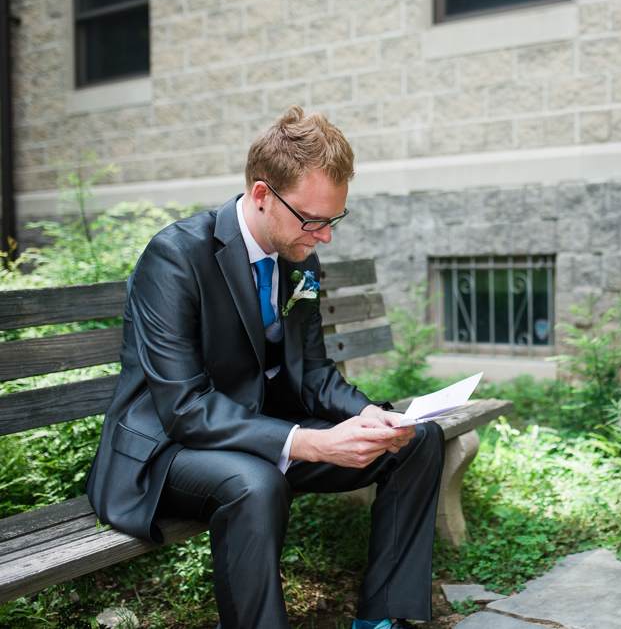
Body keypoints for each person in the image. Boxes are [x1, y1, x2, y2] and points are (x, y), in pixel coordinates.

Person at [86, 105, 444, 629]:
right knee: (257, 483)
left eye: (333, 220)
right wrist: (311, 442)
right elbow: (185, 408)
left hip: (260, 434)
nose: (325, 237)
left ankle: (381, 619)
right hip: (167, 450)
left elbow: (315, 372)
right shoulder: (176, 257)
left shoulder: (300, 257)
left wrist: (371, 414)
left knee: (416, 440)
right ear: (261, 195)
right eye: (314, 220)